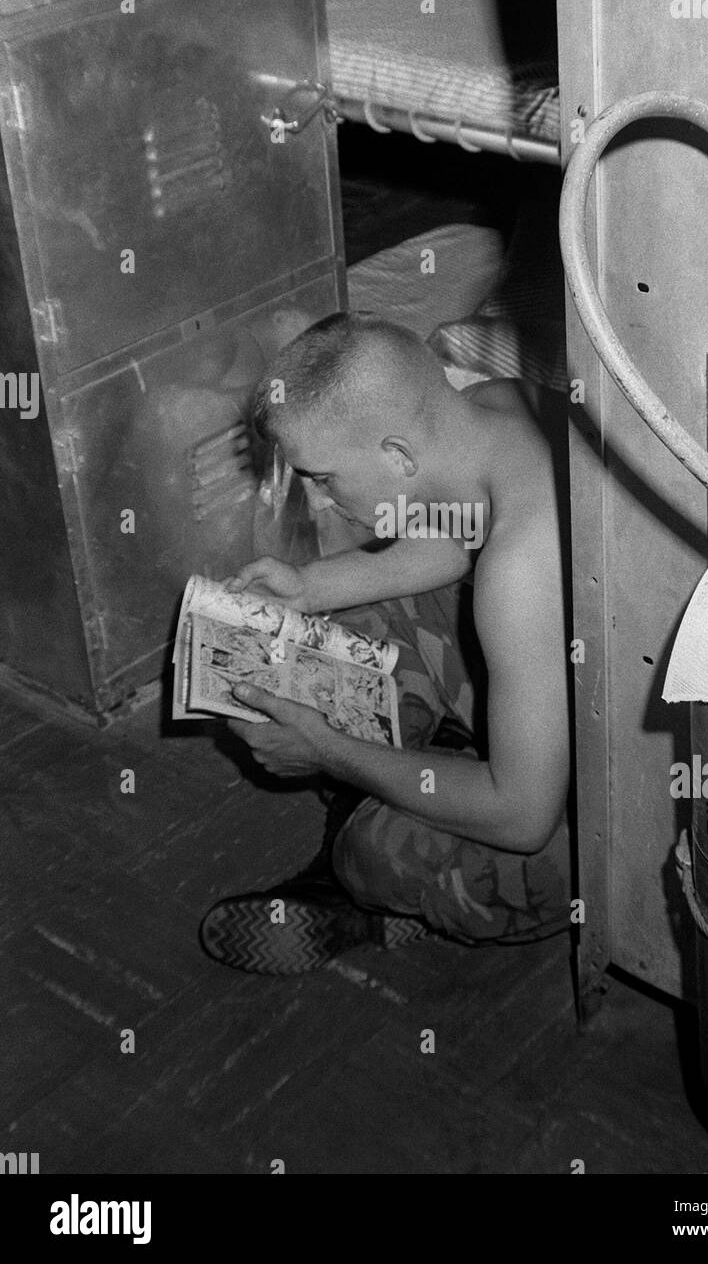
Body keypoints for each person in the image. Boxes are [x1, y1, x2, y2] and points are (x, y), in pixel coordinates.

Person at [200, 311, 571, 974]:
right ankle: (431, 768)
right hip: (558, 683)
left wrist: (328, 752)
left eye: (323, 477)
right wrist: (307, 588)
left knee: (372, 850)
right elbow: (455, 535)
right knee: (336, 639)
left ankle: (364, 892)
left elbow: (522, 817)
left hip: (613, 828)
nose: (317, 500)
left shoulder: (520, 569)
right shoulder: (494, 406)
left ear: (398, 456)